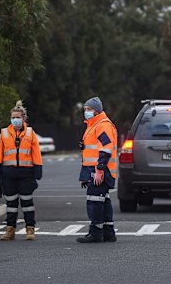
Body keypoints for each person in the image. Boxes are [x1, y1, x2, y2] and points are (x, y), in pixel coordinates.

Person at [0, 101, 42, 241]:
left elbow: (36, 153)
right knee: (11, 204)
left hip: (26, 174)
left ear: (23, 118)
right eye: (13, 117)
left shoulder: (30, 133)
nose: (15, 120)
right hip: (8, 175)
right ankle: (10, 230)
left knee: (27, 203)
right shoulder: (4, 133)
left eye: (18, 117)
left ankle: (30, 229)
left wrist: (38, 171)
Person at [77, 97, 118, 243]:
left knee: (94, 201)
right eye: (85, 109)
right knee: (103, 200)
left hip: (100, 170)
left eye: (89, 109)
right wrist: (85, 175)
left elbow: (105, 150)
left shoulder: (102, 125)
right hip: (95, 170)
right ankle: (108, 232)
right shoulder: (93, 125)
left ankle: (96, 233)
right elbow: (89, 152)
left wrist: (99, 170)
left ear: (97, 111)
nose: (86, 112)